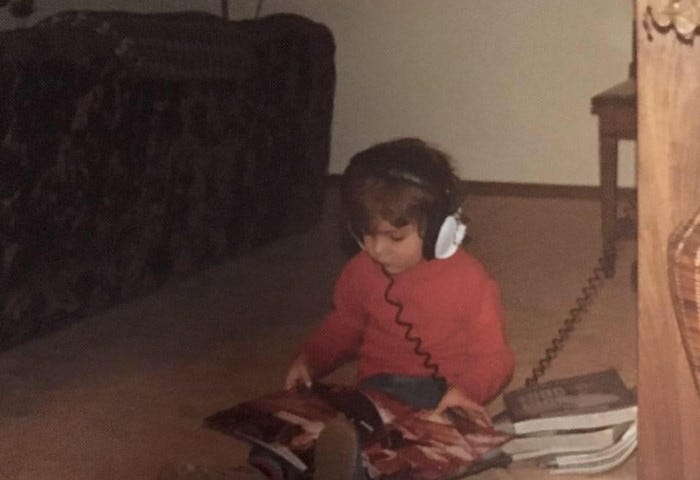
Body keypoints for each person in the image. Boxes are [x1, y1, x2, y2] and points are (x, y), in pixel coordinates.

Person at [284, 137, 515, 477]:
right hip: (378, 391)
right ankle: (343, 456)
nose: (377, 249)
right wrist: (311, 358)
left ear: (442, 230)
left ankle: (375, 460)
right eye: (366, 234)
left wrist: (467, 392)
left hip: (443, 397)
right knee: (342, 424)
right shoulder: (360, 271)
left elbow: (496, 358)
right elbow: (343, 325)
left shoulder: (471, 281)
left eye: (395, 238)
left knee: (422, 445)